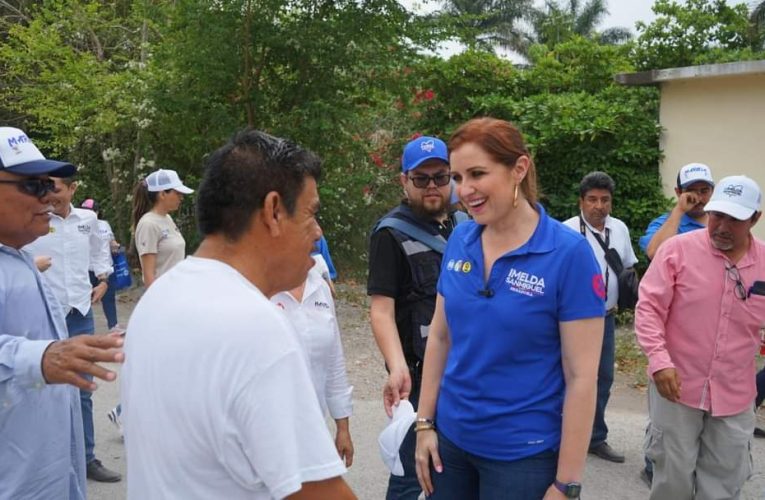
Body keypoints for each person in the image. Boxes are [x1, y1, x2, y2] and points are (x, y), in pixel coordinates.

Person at [121, 129, 356, 499]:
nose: (318, 232)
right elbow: (319, 492)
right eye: (311, 214)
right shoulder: (254, 325)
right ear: (274, 211)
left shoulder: (160, 297)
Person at [414, 117, 604, 500]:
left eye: (478, 174)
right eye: (458, 177)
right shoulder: (460, 240)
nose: (464, 190)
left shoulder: (569, 255)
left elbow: (582, 376)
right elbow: (440, 335)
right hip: (449, 445)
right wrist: (423, 424)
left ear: (519, 168)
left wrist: (566, 483)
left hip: (523, 457)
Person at [0, 126, 123, 498]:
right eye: (34, 186)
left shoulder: (20, 258)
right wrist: (39, 357)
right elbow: (36, 360)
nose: (49, 196)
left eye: (50, 185)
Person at [635, 175, 765, 500]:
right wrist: (660, 361)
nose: (721, 225)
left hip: (735, 394)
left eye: (734, 219)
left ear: (755, 218)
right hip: (675, 388)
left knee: (723, 484)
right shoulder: (677, 251)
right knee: (671, 482)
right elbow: (649, 308)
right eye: (717, 214)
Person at [367, 135, 465, 500]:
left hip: (464, 367)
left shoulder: (464, 223)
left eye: (440, 176)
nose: (432, 186)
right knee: (412, 471)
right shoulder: (390, 232)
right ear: (404, 181)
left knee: (452, 464)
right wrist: (397, 367)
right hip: (421, 372)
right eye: (420, 179)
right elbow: (381, 308)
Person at [24, 176, 121, 483]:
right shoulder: (34, 217)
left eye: (55, 186)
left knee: (83, 390)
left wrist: (104, 279)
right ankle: (46, 463)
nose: (49, 193)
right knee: (41, 389)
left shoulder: (89, 219)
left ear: (72, 188)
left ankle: (86, 458)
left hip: (79, 311)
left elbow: (99, 251)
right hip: (44, 312)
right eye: (44, 186)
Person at [637, 162, 715, 485]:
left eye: (704, 189)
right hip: (669, 333)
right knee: (666, 404)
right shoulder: (667, 223)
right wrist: (677, 214)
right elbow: (655, 252)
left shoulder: (722, 224)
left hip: (708, 331)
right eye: (691, 190)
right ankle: (654, 463)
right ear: (678, 193)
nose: (698, 196)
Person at [563, 171, 638, 464]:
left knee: (603, 378)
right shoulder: (566, 230)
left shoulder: (619, 229)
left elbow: (629, 267)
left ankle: (595, 437)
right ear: (581, 201)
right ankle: (563, 433)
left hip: (605, 317)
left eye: (605, 200)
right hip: (571, 320)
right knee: (568, 376)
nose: (599, 206)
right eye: (592, 199)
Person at [271, 256, 354, 467]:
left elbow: (334, 359)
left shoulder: (320, 286)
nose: (317, 233)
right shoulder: (258, 287)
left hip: (313, 431)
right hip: (268, 435)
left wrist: (342, 427)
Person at [131, 168, 193, 288]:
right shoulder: (148, 224)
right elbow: (149, 275)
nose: (181, 197)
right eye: (177, 193)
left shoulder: (167, 218)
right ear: (162, 194)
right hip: (163, 296)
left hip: (177, 292)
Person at [639, 163, 714, 259]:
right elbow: (655, 254)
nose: (698, 198)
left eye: (704, 191)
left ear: (712, 191)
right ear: (678, 192)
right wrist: (679, 210)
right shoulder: (663, 223)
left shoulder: (723, 220)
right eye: (691, 191)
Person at [81, 198, 122, 331]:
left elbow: (111, 241)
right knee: (84, 300)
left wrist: (115, 246)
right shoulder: (79, 226)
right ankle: (83, 328)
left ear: (97, 212)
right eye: (85, 211)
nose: (88, 214)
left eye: (91, 211)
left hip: (106, 268)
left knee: (109, 298)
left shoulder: (105, 225)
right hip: (87, 268)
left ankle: (113, 326)